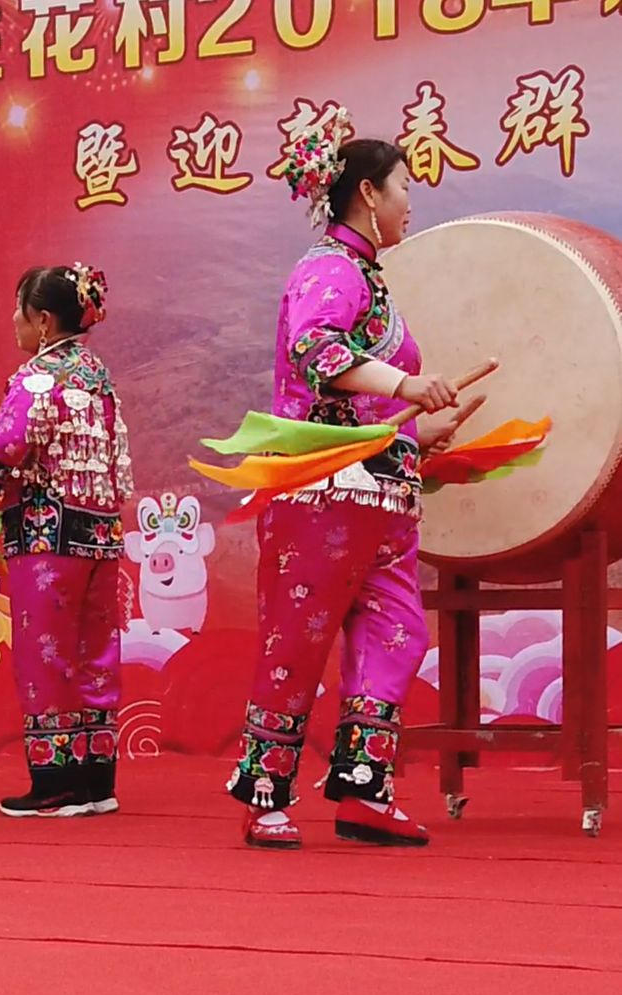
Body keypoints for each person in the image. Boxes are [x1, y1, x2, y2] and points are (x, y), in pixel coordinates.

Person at [226, 113, 473, 849]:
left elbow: (356, 398)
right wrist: (406, 385)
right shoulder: (327, 268)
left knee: (396, 636)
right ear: (366, 192)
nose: (409, 202)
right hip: (324, 497)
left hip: (382, 499)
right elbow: (315, 352)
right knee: (296, 642)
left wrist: (415, 426)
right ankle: (265, 791)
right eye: (403, 187)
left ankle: (362, 788)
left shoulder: (368, 277)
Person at [0, 264, 134, 818]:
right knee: (94, 651)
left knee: (46, 653)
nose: (13, 322)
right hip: (100, 531)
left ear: (43, 320)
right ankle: (97, 780)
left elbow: (4, 447)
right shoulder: (97, 374)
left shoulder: (40, 377)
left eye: (19, 310)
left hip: (50, 535)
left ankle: (54, 783)